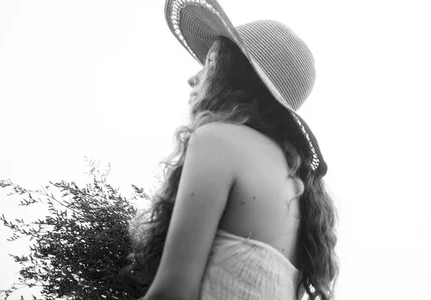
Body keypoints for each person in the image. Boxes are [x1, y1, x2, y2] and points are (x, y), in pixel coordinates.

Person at [120, 0, 339, 299]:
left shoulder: (218, 139)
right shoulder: (301, 192)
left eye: (210, 63)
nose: (193, 77)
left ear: (234, 76)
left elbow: (173, 292)